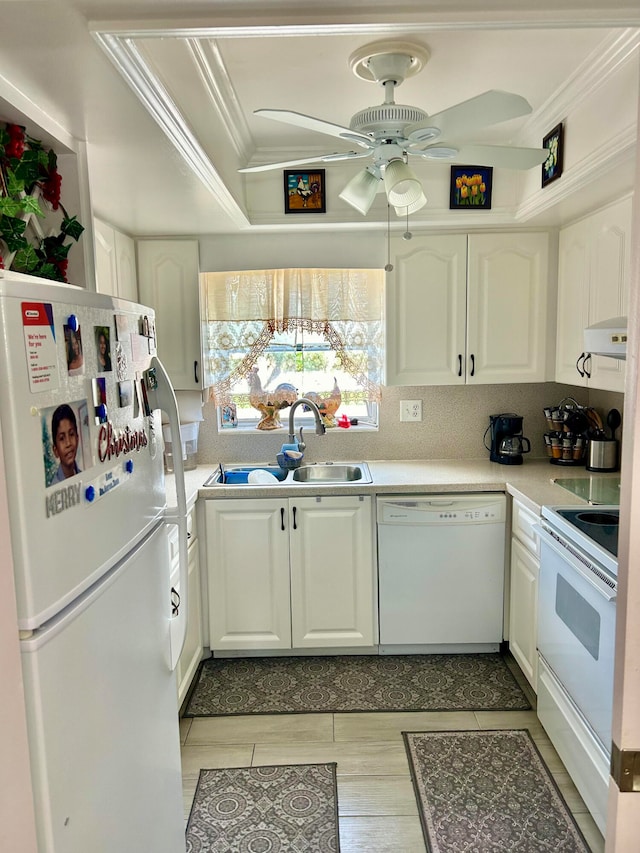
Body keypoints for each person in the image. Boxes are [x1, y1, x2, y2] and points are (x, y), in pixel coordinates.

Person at [51, 404, 81, 481]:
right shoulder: (55, 487)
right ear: (55, 450)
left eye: (71, 434)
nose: (68, 443)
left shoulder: (84, 477)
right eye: (62, 438)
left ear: (77, 438)